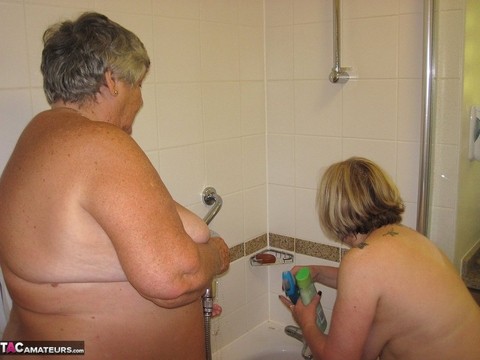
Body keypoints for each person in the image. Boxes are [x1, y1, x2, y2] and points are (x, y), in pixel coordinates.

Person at [0, 12, 229, 359]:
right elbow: (174, 278)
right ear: (111, 81)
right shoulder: (99, 142)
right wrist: (216, 255)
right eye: (137, 84)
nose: (139, 100)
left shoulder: (36, 137)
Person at [279, 157, 480, 360]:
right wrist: (318, 273)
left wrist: (306, 323)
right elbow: (374, 288)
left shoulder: (362, 261)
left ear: (334, 211)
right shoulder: (408, 237)